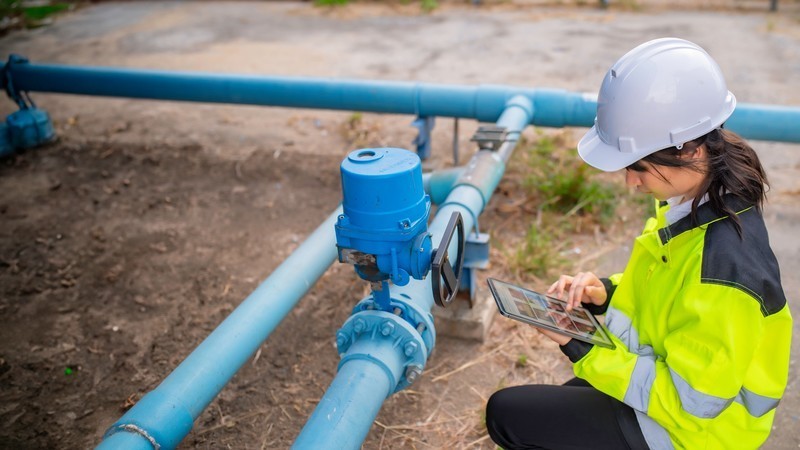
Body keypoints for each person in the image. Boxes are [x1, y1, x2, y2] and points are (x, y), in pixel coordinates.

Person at [485, 37, 792, 450]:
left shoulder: (726, 270)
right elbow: (672, 294)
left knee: (507, 414)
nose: (630, 181)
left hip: (695, 434)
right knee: (550, 402)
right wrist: (606, 293)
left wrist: (582, 348)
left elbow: (687, 404)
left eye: (639, 167)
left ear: (689, 151)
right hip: (673, 398)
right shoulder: (697, 202)